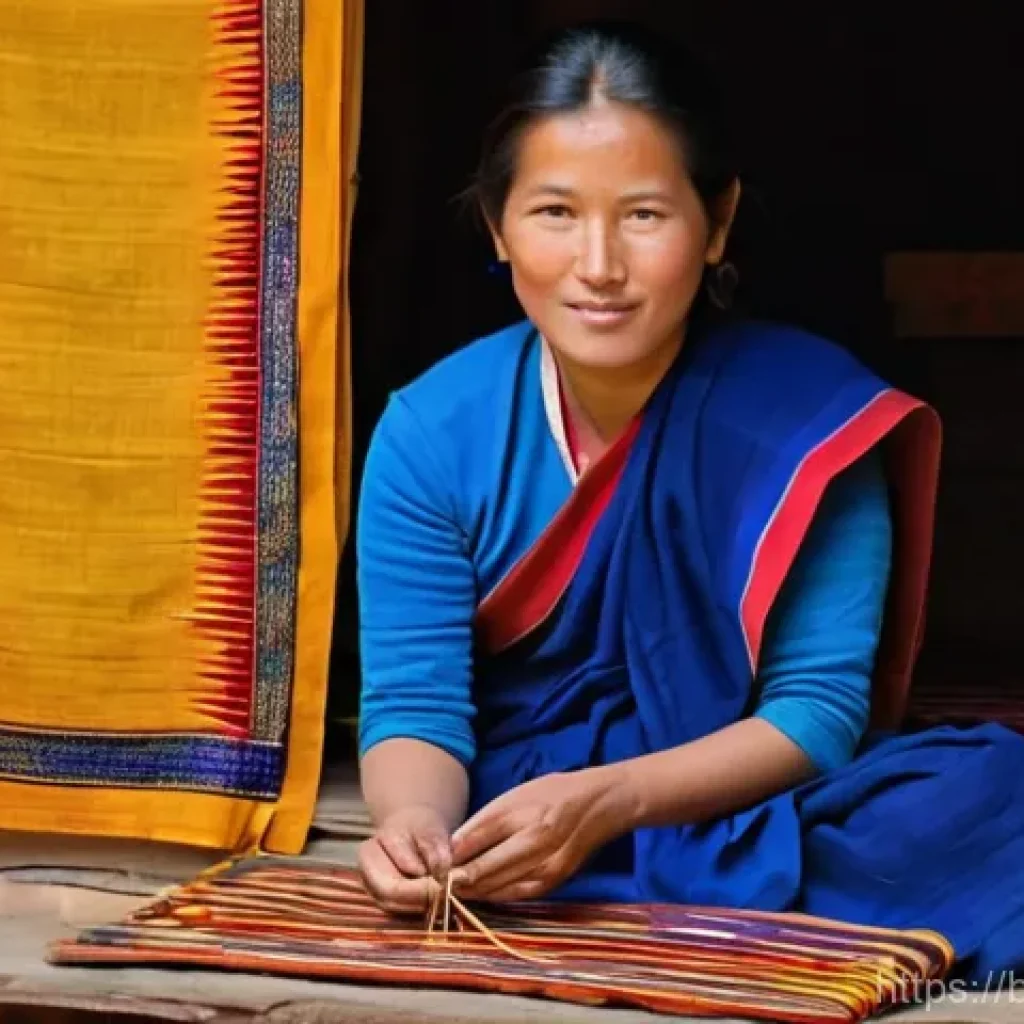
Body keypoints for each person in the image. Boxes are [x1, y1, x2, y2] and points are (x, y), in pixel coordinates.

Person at [354, 21, 1024, 981]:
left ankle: (620, 872)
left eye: (643, 215)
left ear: (716, 223)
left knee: (991, 787)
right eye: (554, 212)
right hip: (521, 793)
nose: (598, 264)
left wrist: (612, 803)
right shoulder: (431, 432)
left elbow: (816, 714)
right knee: (481, 809)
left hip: (737, 791)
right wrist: (415, 824)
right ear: (497, 226)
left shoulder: (808, 423)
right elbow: (417, 704)